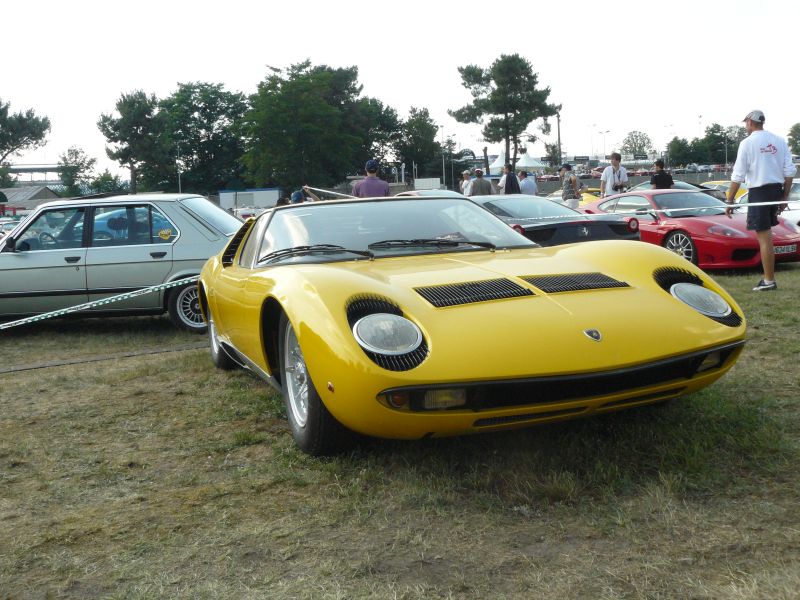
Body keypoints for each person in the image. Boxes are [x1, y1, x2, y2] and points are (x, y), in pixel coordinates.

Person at [725, 110, 797, 291]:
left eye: (746, 123)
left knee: (764, 238)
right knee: (767, 236)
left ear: (750, 122)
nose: (745, 126)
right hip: (776, 190)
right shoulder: (779, 140)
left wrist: (730, 201)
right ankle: (768, 278)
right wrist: (784, 197)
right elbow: (789, 172)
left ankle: (769, 281)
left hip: (759, 192)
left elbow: (738, 175)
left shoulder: (747, 143)